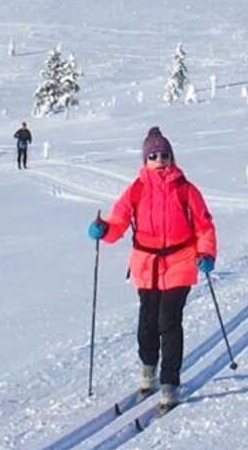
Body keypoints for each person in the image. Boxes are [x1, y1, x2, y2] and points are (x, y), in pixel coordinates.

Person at [87, 127, 218, 411]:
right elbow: (118, 222)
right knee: (148, 319)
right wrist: (103, 229)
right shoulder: (136, 189)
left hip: (181, 260)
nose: (160, 160)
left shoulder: (186, 189)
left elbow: (204, 226)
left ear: (172, 158)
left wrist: (206, 252)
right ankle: (149, 367)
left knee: (168, 321)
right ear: (145, 160)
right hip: (146, 264)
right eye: (154, 156)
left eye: (165, 155)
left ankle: (170, 381)